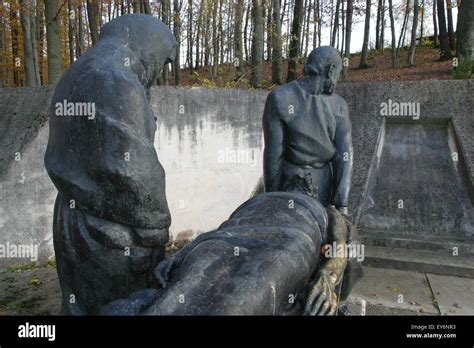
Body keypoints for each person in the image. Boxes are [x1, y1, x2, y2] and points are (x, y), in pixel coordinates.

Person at [44, 15, 177, 315]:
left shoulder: (76, 73)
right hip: (113, 232)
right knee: (121, 306)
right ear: (150, 45)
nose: (160, 72)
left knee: (82, 305)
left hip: (74, 216)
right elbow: (132, 170)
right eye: (164, 61)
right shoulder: (115, 79)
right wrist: (157, 227)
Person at [263, 46, 353, 217]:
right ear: (331, 71)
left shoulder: (279, 97)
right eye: (339, 74)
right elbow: (345, 157)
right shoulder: (339, 105)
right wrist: (342, 205)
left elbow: (274, 156)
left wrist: (271, 198)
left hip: (288, 185)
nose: (337, 80)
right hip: (317, 187)